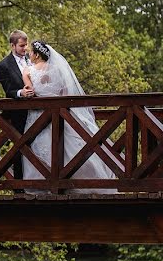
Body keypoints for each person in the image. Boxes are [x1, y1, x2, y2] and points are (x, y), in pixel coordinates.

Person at [21, 40, 117, 193]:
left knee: (40, 147)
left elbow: (30, 92)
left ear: (37, 55)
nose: (29, 54)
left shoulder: (28, 71)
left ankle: (44, 185)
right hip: (60, 114)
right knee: (70, 148)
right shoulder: (58, 70)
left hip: (39, 116)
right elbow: (65, 94)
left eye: (31, 52)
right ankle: (78, 182)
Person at [0, 30, 35, 184]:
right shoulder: (3, 65)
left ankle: (37, 181)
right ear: (12, 46)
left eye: (26, 45)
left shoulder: (31, 60)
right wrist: (21, 93)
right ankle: (19, 184)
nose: (25, 48)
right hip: (18, 113)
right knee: (21, 147)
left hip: (37, 111)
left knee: (38, 146)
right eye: (21, 46)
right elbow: (8, 91)